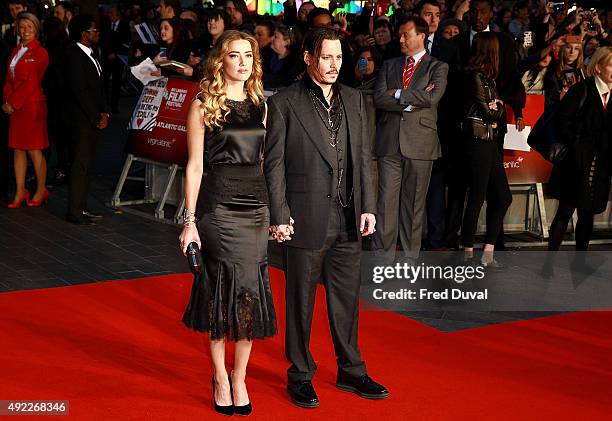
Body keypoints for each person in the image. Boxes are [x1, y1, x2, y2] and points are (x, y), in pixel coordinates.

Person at [264, 27, 388, 409]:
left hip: (349, 215)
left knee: (347, 300)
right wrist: (280, 213)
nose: (334, 65)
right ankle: (300, 374)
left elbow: (365, 157)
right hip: (305, 216)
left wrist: (369, 206)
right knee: (300, 300)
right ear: (308, 58)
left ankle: (351, 369)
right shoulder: (285, 102)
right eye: (326, 57)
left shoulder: (354, 99)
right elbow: (274, 164)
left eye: (338, 57)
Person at [180, 30, 277, 417]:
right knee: (223, 292)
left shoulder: (261, 104)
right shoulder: (203, 104)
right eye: (234, 55)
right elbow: (195, 166)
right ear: (220, 61)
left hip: (256, 207)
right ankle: (220, 376)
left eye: (248, 56)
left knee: (251, 292)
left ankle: (240, 376)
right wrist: (189, 222)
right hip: (218, 208)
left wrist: (277, 212)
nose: (242, 62)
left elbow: (266, 162)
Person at [372, 16, 449, 261]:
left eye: (406, 34)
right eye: (400, 35)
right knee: (385, 205)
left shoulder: (437, 66)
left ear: (421, 36)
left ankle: (408, 261)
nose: (401, 39)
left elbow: (432, 98)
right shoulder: (390, 64)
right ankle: (381, 261)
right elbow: (379, 98)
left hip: (421, 143)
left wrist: (398, 94)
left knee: (413, 206)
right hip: (389, 141)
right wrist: (410, 100)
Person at [546, 46, 611, 253]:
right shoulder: (582, 89)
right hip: (576, 163)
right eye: (611, 65)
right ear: (598, 67)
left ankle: (580, 261)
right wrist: (577, 147)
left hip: (601, 163)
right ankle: (549, 262)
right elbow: (562, 122)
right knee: (565, 212)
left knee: (588, 214)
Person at [460, 33, 512, 268]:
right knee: (478, 196)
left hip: (489, 141)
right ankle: (468, 253)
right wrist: (498, 107)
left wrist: (497, 107)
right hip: (477, 141)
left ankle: (487, 252)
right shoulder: (475, 76)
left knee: (503, 196)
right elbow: (490, 112)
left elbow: (495, 110)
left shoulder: (488, 78)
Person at [64, 14, 109, 225]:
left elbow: (99, 87)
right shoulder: (73, 54)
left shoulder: (93, 53)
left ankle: (82, 207)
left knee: (88, 164)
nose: (96, 33)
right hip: (81, 119)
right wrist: (94, 115)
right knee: (80, 164)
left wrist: (105, 112)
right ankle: (74, 210)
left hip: (93, 117)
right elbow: (79, 90)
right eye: (93, 30)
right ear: (84, 33)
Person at [3, 13, 49, 209]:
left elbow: (31, 83)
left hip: (31, 107)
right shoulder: (16, 50)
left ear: (36, 29)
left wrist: (13, 103)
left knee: (34, 149)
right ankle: (20, 191)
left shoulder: (41, 53)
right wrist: (6, 100)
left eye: (29, 27)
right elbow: (9, 78)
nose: (25, 31)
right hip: (15, 107)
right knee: (18, 148)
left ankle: (41, 189)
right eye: (22, 27)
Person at [544, 35, 585, 109]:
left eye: (576, 48)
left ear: (580, 52)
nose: (572, 52)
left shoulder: (583, 71)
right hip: (558, 111)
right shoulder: (553, 70)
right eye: (568, 47)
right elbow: (550, 100)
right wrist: (566, 89)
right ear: (563, 49)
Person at [262, 24, 302, 90]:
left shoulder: (295, 61)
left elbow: (287, 81)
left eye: (276, 37)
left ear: (287, 42)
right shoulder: (265, 54)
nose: (271, 39)